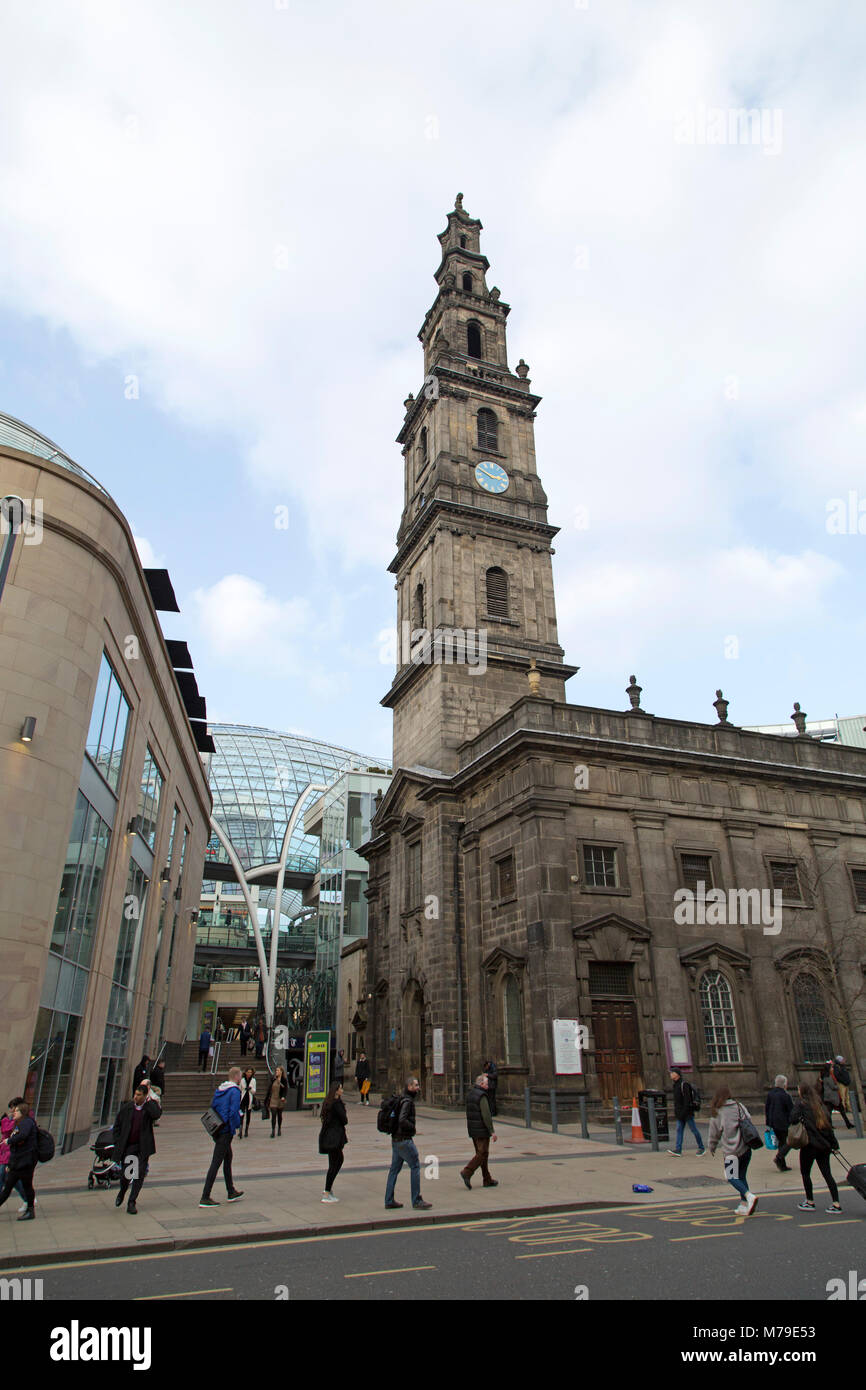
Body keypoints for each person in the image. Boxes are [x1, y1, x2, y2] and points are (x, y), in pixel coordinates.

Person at [707, 1084, 758, 1215]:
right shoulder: (739, 1105)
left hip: (731, 1152)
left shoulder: (718, 1111)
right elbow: (748, 1119)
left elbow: (714, 1133)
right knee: (741, 1176)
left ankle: (749, 1196)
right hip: (745, 1148)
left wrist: (712, 1146)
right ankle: (744, 1205)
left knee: (731, 1176)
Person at [791, 1082, 842, 1213]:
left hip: (809, 1145)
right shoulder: (821, 1106)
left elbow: (792, 1119)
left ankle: (810, 1201)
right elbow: (829, 1129)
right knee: (827, 1174)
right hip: (824, 1146)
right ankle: (836, 1203)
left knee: (805, 1173)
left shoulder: (801, 1104)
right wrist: (834, 1145)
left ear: (802, 1091)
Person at [112, 1083, 161, 1214]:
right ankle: (122, 1192)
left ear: (145, 1096)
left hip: (143, 1147)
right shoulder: (127, 1108)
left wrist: (149, 1100)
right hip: (130, 1146)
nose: (136, 1097)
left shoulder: (149, 1108)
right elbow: (117, 1126)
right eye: (135, 1094)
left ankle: (132, 1201)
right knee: (127, 1174)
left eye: (139, 1095)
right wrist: (118, 1141)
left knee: (139, 1174)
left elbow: (156, 1114)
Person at [384, 1077, 432, 1211]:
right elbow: (402, 1120)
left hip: (396, 1140)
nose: (418, 1088)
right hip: (404, 1140)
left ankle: (389, 1200)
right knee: (415, 1166)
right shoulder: (407, 1101)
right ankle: (416, 1200)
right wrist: (412, 1128)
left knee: (394, 1170)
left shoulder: (401, 1099)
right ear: (409, 1086)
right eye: (416, 1085)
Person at [199, 1066, 244, 1207]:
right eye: (240, 1076)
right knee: (216, 1162)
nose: (241, 1079)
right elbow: (233, 1111)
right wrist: (235, 1127)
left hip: (217, 1128)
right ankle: (205, 1197)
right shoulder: (234, 1091)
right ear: (237, 1077)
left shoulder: (220, 1089)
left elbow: (213, 1106)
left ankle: (231, 1191)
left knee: (228, 1157)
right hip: (226, 1130)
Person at [0, 1101, 38, 1220]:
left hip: (24, 1162)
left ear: (22, 1112)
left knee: (21, 1186)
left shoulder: (26, 1123)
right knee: (12, 1186)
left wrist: (9, 1141)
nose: (13, 1113)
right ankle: (30, 1210)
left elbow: (22, 1136)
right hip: (18, 1162)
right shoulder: (20, 1123)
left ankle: (30, 1210)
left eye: (16, 1111)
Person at [460, 1073, 498, 1189]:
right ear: (481, 1084)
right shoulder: (482, 1096)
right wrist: (492, 1131)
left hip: (473, 1129)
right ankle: (467, 1171)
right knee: (482, 1154)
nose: (488, 1085)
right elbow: (486, 1115)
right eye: (486, 1083)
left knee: (482, 1154)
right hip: (481, 1129)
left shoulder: (471, 1094)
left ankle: (487, 1179)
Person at [318, 1082, 348, 1202]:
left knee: (333, 1163)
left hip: (328, 1136)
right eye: (340, 1088)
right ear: (336, 1091)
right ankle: (326, 1192)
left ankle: (328, 1190)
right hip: (334, 1137)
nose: (342, 1090)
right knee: (337, 1161)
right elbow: (344, 1119)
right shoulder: (336, 1104)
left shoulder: (328, 1102)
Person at [667, 1068, 706, 1156]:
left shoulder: (684, 1085)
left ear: (677, 1074)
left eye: (672, 1073)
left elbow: (687, 1101)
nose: (670, 1074)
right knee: (679, 1130)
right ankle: (678, 1149)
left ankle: (701, 1147)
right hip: (680, 1112)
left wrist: (684, 1112)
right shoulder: (675, 1085)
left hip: (687, 1112)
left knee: (694, 1130)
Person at [0, 1098, 29, 1212]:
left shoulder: (23, 1121)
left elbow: (8, 1131)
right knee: (12, 1180)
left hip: (12, 1155)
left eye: (13, 1108)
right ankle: (28, 1198)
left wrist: (6, 1121)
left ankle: (28, 1199)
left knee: (3, 1178)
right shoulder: (13, 1119)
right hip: (5, 1154)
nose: (12, 1111)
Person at [765, 1074, 794, 1171]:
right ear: (784, 1084)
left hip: (773, 1122)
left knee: (781, 1143)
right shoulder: (785, 1095)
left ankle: (782, 1164)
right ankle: (779, 1157)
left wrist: (768, 1123)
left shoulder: (770, 1094)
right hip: (783, 1123)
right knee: (788, 1142)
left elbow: (767, 1108)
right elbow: (791, 1110)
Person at [818, 1062, 853, 1130]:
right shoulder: (828, 1077)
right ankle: (846, 1124)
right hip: (832, 1097)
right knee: (838, 1111)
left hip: (831, 1097)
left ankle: (845, 1123)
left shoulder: (827, 1076)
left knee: (832, 1111)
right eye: (831, 1067)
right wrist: (837, 1086)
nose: (832, 1069)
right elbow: (832, 1086)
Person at [267, 1066, 288, 1137]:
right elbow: (269, 1089)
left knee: (279, 1115)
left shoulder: (284, 1080)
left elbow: (285, 1090)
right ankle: (273, 1130)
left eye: (278, 1071)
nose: (277, 1072)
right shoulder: (273, 1079)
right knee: (273, 1114)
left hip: (280, 1099)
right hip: (273, 1098)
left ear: (281, 1072)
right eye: (276, 1071)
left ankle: (279, 1128)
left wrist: (283, 1097)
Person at [239, 1068, 256, 1138]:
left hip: (249, 1099)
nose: (249, 1073)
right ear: (245, 1072)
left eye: (250, 1072)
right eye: (248, 1072)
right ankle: (240, 1130)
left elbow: (254, 1091)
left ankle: (246, 1130)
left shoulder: (253, 1080)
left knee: (248, 1115)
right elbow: (239, 1089)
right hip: (242, 1099)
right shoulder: (242, 1080)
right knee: (241, 1115)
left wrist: (250, 1089)